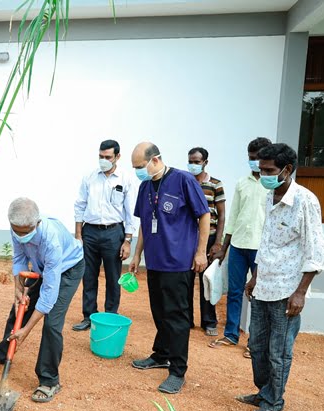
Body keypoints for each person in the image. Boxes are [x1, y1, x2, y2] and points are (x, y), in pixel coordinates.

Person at [239, 143, 324, 411]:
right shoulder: (270, 196)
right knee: (258, 344)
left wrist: (300, 292)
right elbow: (268, 245)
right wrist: (255, 277)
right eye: (261, 169)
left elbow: (315, 252)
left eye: (269, 170)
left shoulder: (305, 201)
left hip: (288, 291)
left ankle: (273, 403)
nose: (263, 174)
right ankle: (264, 392)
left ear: (287, 170)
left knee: (279, 350)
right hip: (264, 285)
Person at [0, 198, 84, 403]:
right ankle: (2, 352)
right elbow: (18, 257)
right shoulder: (16, 226)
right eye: (17, 231)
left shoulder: (51, 239)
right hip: (41, 267)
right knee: (17, 312)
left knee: (52, 324)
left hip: (68, 269)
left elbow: (49, 292)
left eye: (26, 232)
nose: (21, 236)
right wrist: (17, 286)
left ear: (37, 223)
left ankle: (50, 380)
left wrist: (27, 330)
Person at [128, 142, 210, 394]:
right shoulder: (145, 186)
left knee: (176, 317)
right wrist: (137, 254)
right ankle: (161, 354)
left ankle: (177, 370)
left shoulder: (183, 180)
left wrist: (200, 252)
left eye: (140, 167)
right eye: (134, 168)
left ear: (155, 160)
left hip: (178, 262)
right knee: (159, 312)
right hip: (155, 261)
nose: (137, 172)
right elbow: (144, 223)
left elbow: (204, 215)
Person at [209, 137, 271, 353]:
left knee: (258, 295)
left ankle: (255, 341)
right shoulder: (242, 183)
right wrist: (223, 248)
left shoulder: (272, 185)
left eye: (257, 158)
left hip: (261, 249)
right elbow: (232, 217)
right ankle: (231, 334)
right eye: (250, 158)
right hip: (237, 246)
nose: (253, 162)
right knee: (234, 292)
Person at [72, 139, 137, 331]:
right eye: (100, 156)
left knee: (112, 277)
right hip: (90, 232)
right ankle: (88, 316)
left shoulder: (125, 179)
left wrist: (127, 240)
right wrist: (78, 235)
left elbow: (130, 212)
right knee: (88, 276)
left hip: (113, 233)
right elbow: (80, 205)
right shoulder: (90, 177)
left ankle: (110, 316)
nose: (103, 160)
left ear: (117, 156)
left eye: (108, 157)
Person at [186, 147, 226, 337]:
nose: (193, 165)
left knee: (206, 280)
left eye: (196, 161)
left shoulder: (215, 185)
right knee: (185, 280)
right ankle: (186, 319)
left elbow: (222, 215)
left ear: (205, 162)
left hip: (209, 238)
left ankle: (209, 321)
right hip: (187, 238)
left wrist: (217, 242)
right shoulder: (184, 182)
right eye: (190, 161)